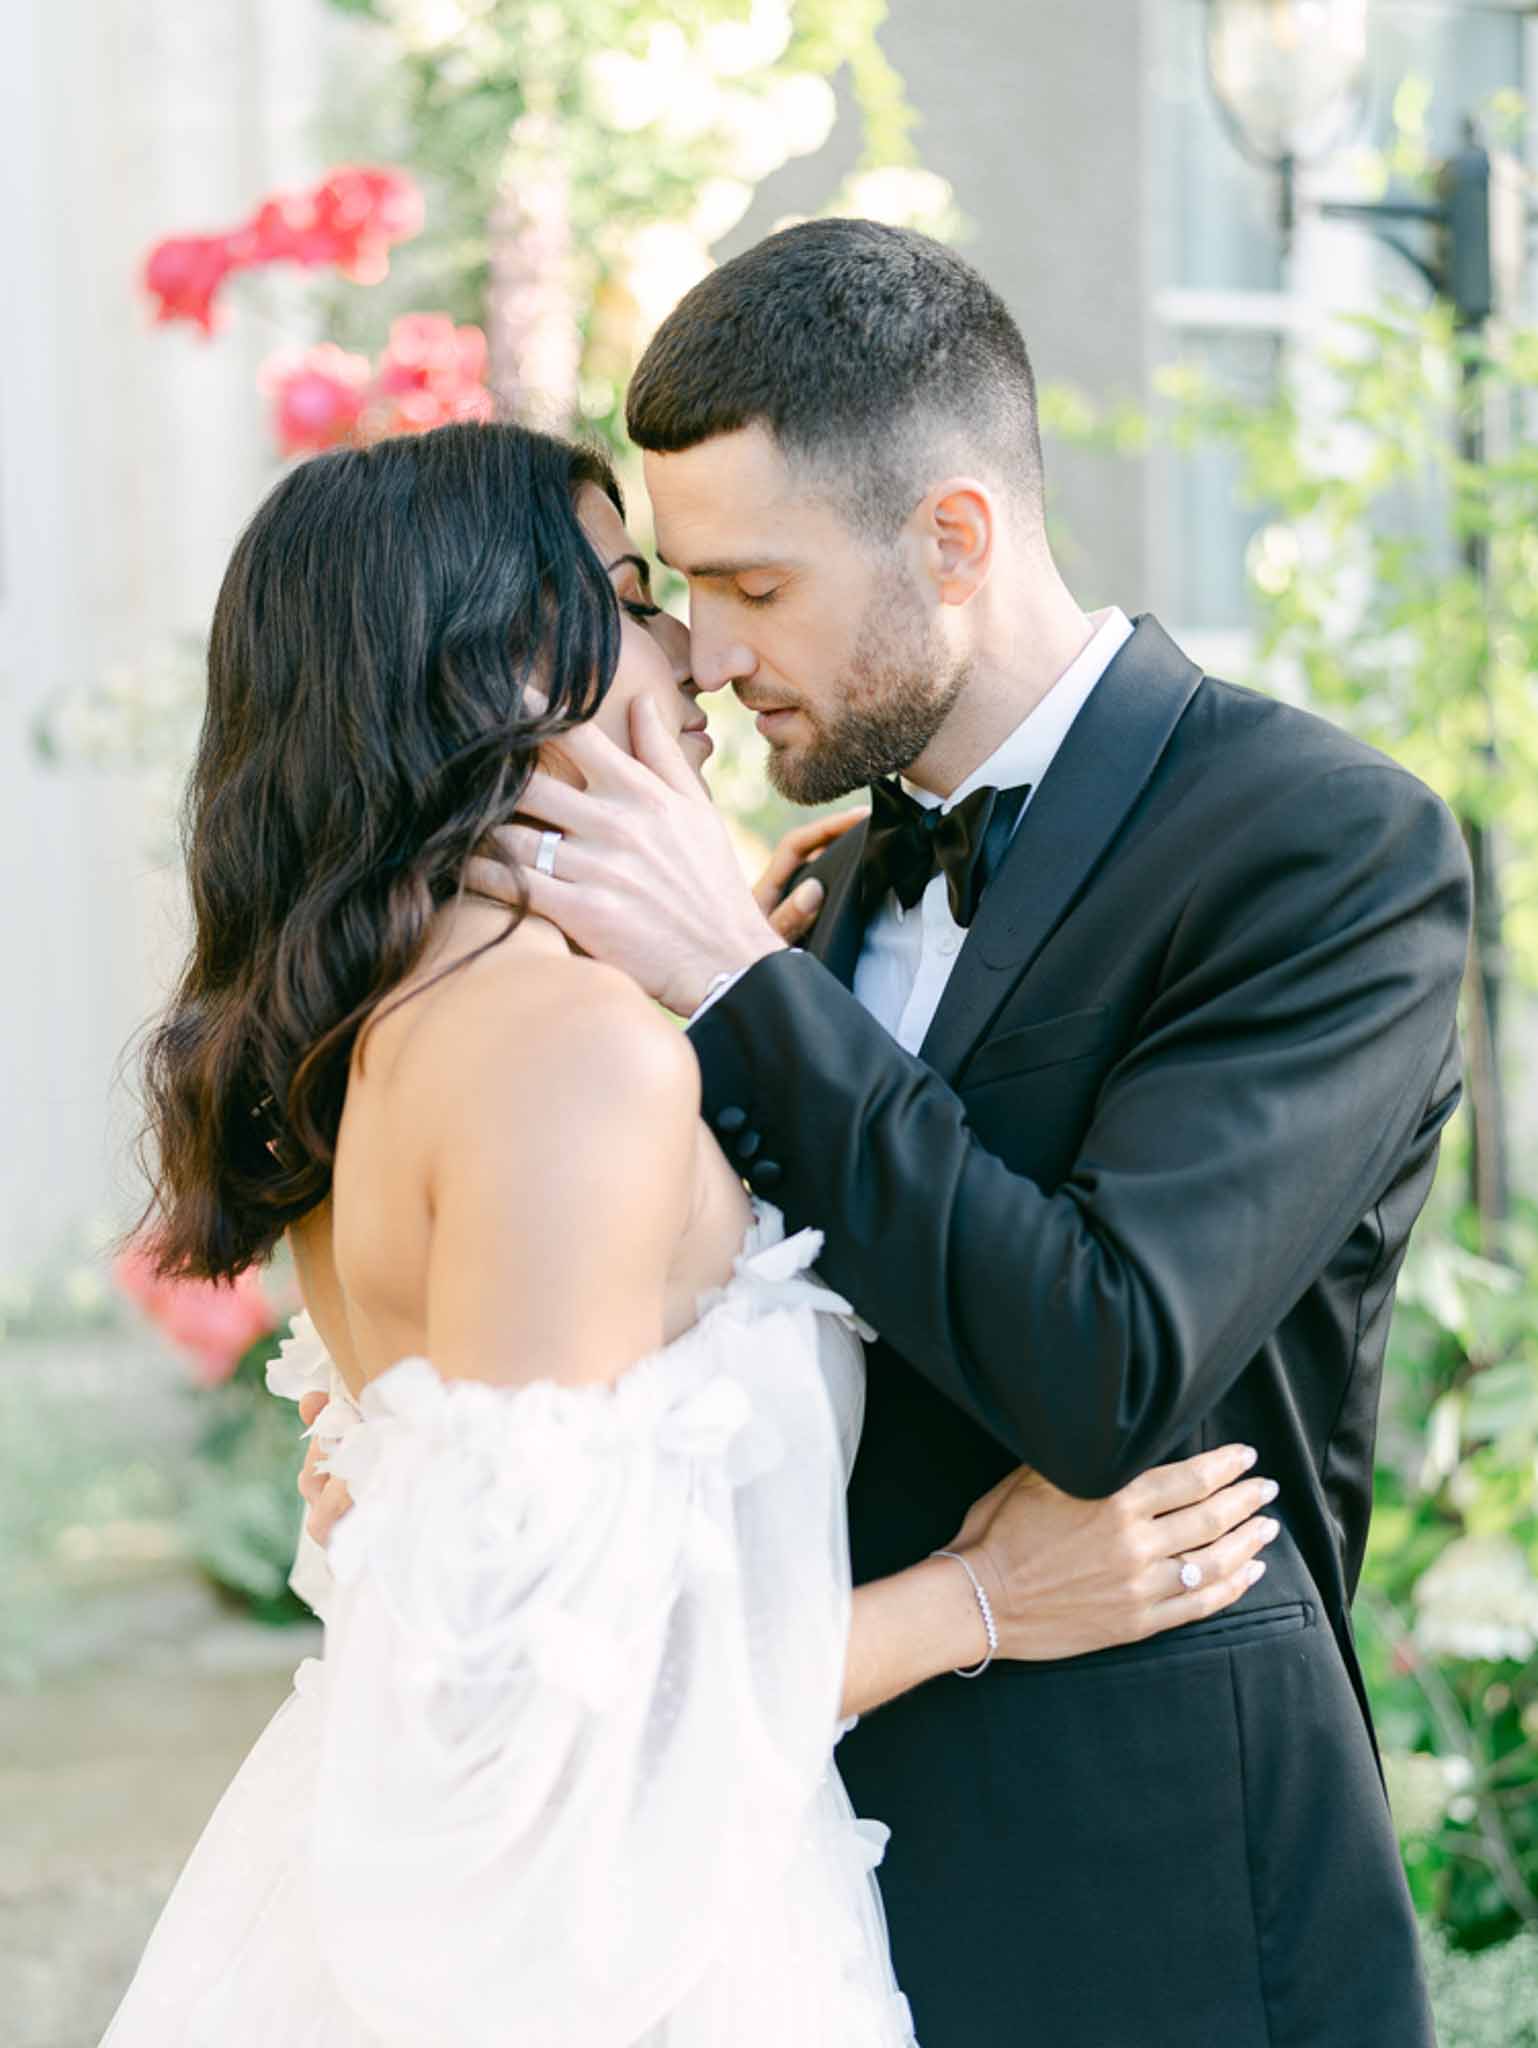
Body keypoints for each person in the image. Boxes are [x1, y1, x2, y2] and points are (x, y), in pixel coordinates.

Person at [100, 421, 1276, 2048]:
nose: (695, 656)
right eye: (638, 596)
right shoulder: (567, 1059)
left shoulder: (417, 1031)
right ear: (505, 661)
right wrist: (980, 1602)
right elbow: (530, 1716)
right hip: (618, 1970)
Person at [481, 221, 1474, 2048]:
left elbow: (1103, 1363)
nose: (700, 656)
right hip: (806, 1871)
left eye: (753, 588)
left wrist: (730, 991)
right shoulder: (815, 892)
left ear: (953, 538)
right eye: (683, 589)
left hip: (1157, 1884)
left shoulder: (1322, 844)